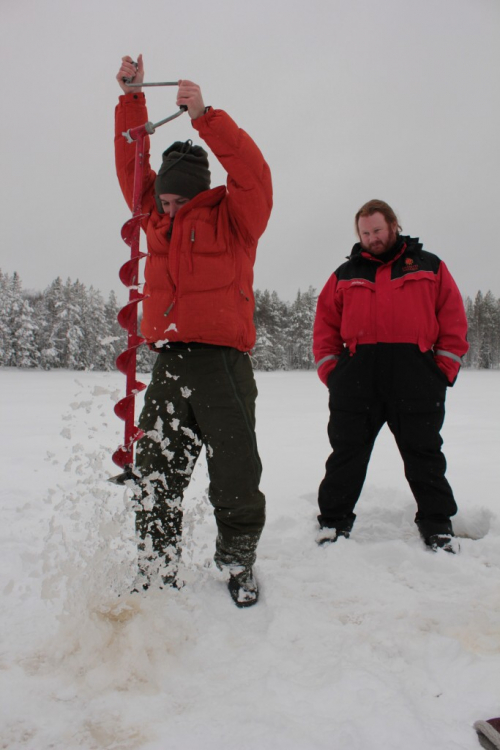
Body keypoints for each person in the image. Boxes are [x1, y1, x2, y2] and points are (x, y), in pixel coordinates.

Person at [114, 55, 272, 607]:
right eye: (164, 200)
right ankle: (157, 563)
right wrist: (132, 97)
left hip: (223, 366)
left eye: (180, 200)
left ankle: (237, 562)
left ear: (198, 193)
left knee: (234, 471)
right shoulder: (155, 217)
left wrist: (206, 116)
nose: (170, 209)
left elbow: (253, 174)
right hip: (171, 363)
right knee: (156, 469)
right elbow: (131, 161)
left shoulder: (234, 218)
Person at [313, 199, 468, 552]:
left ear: (394, 225)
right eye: (365, 233)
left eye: (378, 230)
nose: (372, 238)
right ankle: (333, 523)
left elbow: (453, 319)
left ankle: (437, 523)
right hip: (356, 380)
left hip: (415, 377)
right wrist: (331, 371)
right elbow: (325, 327)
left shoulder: (430, 266)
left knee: (424, 453)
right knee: (346, 454)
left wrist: (442, 369)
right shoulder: (345, 273)